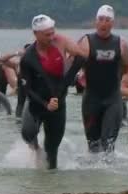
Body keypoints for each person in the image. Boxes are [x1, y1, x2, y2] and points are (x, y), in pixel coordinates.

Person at [19, 14, 86, 169]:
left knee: (52, 149)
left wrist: (66, 82)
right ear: (36, 34)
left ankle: (51, 185)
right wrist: (44, 103)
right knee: (27, 134)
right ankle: (35, 150)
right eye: (47, 35)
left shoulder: (60, 42)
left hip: (58, 105)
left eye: (52, 32)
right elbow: (26, 88)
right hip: (37, 105)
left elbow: (81, 57)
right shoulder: (28, 58)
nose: (51, 37)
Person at [77, 4, 128, 154]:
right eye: (101, 19)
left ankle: (109, 176)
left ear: (112, 23)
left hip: (112, 99)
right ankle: (94, 176)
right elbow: (75, 64)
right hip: (91, 100)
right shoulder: (86, 41)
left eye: (107, 20)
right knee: (93, 146)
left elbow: (126, 68)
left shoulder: (122, 44)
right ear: (96, 21)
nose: (104, 23)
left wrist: (118, 81)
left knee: (108, 145)